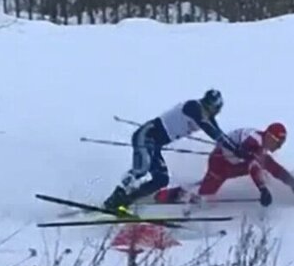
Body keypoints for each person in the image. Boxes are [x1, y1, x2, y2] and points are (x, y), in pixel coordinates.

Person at [103, 89, 246, 212]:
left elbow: (220, 134)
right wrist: (235, 149)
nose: (214, 111)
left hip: (155, 144)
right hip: (146, 135)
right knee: (142, 168)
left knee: (161, 180)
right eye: (213, 107)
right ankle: (114, 198)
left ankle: (126, 201)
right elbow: (212, 131)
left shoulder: (207, 117)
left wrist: (237, 149)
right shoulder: (193, 106)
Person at [153, 122, 294, 207]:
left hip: (234, 164)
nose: (279, 147)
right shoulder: (255, 141)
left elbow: (273, 169)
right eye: (278, 143)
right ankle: (165, 197)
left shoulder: (261, 147)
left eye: (281, 143)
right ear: (270, 137)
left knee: (269, 165)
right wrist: (262, 190)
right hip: (220, 162)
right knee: (206, 194)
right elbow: (253, 167)